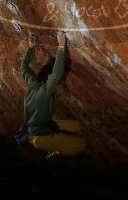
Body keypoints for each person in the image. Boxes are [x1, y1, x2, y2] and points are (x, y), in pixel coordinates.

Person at [20, 30, 86, 158]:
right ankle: (56, 151)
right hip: (41, 139)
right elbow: (55, 76)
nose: (59, 83)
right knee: (81, 144)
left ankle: (57, 134)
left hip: (43, 125)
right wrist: (61, 46)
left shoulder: (34, 84)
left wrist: (30, 47)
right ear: (48, 77)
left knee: (77, 126)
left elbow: (23, 67)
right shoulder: (43, 93)